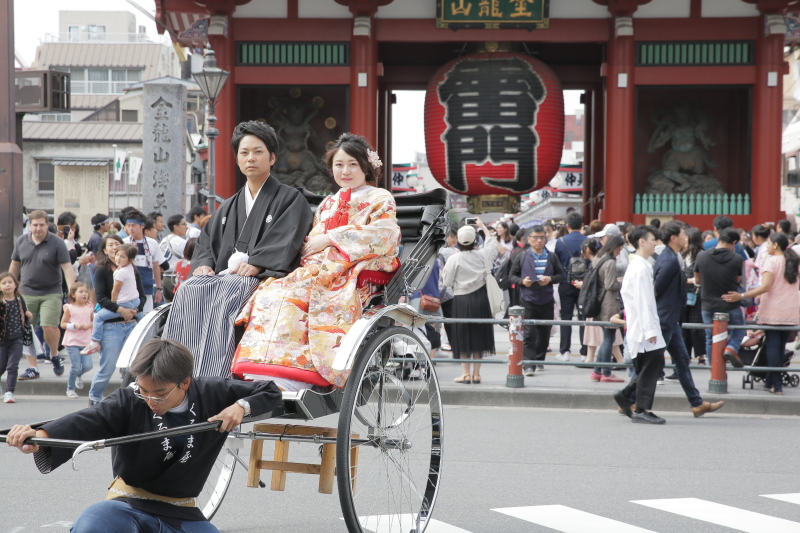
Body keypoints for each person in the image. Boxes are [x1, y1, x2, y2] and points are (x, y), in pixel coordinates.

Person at [5, 338, 283, 533]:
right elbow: (88, 419)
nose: (149, 399)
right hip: (127, 504)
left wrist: (240, 407)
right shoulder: (129, 399)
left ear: (185, 383)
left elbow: (271, 390)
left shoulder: (214, 392)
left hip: (181, 512)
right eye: (143, 390)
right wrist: (40, 435)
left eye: (160, 393)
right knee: (92, 524)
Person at [233, 133, 400, 388]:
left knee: (298, 300)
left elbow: (385, 233)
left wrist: (332, 238)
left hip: (349, 271)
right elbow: (311, 239)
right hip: (316, 267)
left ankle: (305, 375)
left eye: (353, 164)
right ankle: (267, 367)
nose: (345, 171)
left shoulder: (380, 197)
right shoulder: (329, 202)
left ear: (365, 167)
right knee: (271, 292)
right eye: (339, 165)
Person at [164, 121, 313, 378]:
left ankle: (214, 375)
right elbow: (207, 243)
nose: (250, 158)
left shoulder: (290, 199)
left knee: (233, 289)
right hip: (226, 276)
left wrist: (257, 263)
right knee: (189, 288)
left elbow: (286, 240)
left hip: (259, 278)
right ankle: (175, 372)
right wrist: (204, 263)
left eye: (258, 151)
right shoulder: (229, 206)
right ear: (237, 159)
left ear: (273, 157)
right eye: (244, 153)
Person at [654, 221, 725, 417]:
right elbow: (655, 290)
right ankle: (628, 396)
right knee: (653, 363)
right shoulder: (668, 260)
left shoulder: (674, 256)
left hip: (673, 319)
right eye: (682, 233)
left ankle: (696, 403)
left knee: (683, 360)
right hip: (666, 319)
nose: (686, 236)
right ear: (673, 238)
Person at [723, 233, 800, 395]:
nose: (766, 246)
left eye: (769, 243)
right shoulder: (794, 262)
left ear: (775, 245)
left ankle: (776, 384)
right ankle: (772, 382)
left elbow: (765, 287)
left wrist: (742, 295)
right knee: (780, 348)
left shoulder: (771, 262)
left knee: (772, 347)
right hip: (791, 311)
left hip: (773, 310)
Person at [9, 210, 74, 380]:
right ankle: (33, 367)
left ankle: (53, 354)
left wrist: (72, 290)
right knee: (27, 329)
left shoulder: (57, 243)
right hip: (26, 291)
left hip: (51, 292)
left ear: (47, 225)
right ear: (30, 225)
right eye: (35, 225)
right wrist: (10, 288)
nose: (38, 228)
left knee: (49, 326)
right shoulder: (22, 241)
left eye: (41, 225)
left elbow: (67, 267)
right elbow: (15, 266)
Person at [614, 225, 667, 424]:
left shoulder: (640, 265)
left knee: (649, 367)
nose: (655, 242)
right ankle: (641, 408)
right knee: (651, 368)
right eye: (652, 239)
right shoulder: (640, 268)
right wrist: (650, 330)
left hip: (641, 326)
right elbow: (643, 302)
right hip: (644, 327)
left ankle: (627, 395)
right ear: (641, 241)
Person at [89, 235, 146, 406]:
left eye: (117, 244)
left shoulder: (131, 269)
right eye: (110, 245)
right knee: (107, 368)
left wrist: (135, 310)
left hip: (131, 324)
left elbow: (141, 296)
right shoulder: (102, 270)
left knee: (132, 367)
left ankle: (130, 400)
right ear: (105, 251)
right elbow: (101, 298)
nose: (114, 248)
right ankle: (95, 399)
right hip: (111, 327)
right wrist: (120, 310)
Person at [441, 219, 497, 384]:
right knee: (479, 335)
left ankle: (465, 374)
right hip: (481, 298)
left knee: (463, 335)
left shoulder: (454, 258)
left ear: (457, 241)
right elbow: (492, 245)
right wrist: (483, 227)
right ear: (474, 240)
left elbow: (447, 281)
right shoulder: (483, 255)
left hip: (461, 300)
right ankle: (477, 374)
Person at [509, 225, 564, 376]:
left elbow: (561, 275)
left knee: (544, 332)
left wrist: (550, 279)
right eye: (535, 237)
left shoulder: (552, 256)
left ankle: (539, 359)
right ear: (529, 239)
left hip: (546, 298)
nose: (539, 241)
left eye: (542, 237)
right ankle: (529, 364)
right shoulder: (521, 256)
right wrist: (522, 281)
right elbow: (512, 276)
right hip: (527, 298)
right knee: (528, 333)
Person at [694, 228, 746, 367]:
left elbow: (698, 280)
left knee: (710, 338)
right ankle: (731, 348)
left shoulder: (701, 256)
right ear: (734, 242)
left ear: (718, 239)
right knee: (739, 329)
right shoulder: (737, 259)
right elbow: (737, 279)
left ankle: (714, 370)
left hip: (708, 304)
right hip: (730, 304)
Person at [82, 244, 141, 356]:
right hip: (135, 302)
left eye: (122, 257)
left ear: (130, 260)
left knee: (98, 317)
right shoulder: (130, 268)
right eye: (117, 255)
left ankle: (94, 342)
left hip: (125, 302)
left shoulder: (120, 272)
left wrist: (114, 306)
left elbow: (115, 291)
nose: (118, 258)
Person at [587, 235, 626, 383]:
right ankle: (607, 372)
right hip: (609, 304)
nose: (619, 252)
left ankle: (597, 371)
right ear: (615, 247)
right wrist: (621, 282)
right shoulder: (609, 262)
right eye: (619, 249)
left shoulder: (598, 257)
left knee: (606, 338)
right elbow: (610, 285)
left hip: (599, 302)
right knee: (608, 339)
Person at [554, 211, 588, 361]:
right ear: (582, 225)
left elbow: (557, 263)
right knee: (583, 318)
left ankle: (564, 351)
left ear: (567, 226)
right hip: (584, 285)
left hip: (566, 283)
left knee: (566, 317)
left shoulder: (560, 241)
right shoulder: (589, 241)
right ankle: (584, 352)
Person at [122, 210, 165, 313]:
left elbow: (156, 267)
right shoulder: (124, 243)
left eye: (133, 225)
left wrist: (159, 289)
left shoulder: (152, 243)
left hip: (147, 286)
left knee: (145, 317)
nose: (130, 228)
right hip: (128, 287)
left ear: (142, 226)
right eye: (129, 225)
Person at [0, 272, 32, 403]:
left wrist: (28, 314)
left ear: (15, 285)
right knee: (1, 366)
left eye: (10, 282)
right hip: (2, 340)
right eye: (4, 283)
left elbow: (23, 313)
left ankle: (9, 391)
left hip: (17, 338)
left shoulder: (20, 299)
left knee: (13, 366)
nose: (7, 285)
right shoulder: (1, 302)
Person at [60, 282, 94, 398]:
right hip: (72, 341)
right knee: (75, 366)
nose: (84, 294)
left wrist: (89, 325)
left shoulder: (89, 306)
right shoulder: (69, 308)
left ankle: (77, 375)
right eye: (81, 292)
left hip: (86, 342)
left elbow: (94, 320)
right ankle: (70, 388)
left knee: (88, 366)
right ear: (73, 294)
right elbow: (63, 324)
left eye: (86, 291)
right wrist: (74, 325)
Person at [681, 227, 707, 365]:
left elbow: (701, 278)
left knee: (697, 327)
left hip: (698, 295)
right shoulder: (683, 254)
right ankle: (686, 355)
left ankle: (701, 356)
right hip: (685, 294)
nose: (684, 240)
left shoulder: (702, 255)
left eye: (686, 238)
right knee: (684, 326)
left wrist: (686, 280)